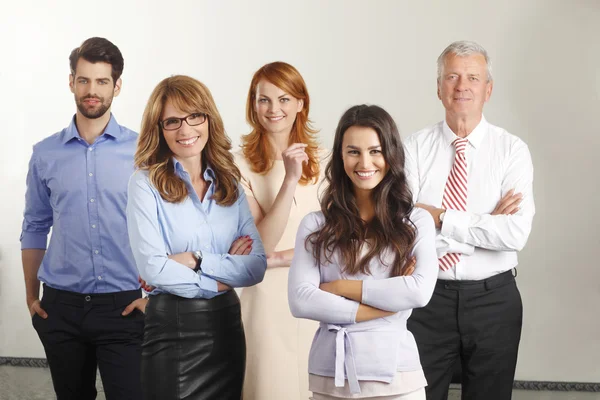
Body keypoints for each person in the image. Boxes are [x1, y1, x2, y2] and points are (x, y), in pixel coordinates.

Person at [404, 41, 535, 400]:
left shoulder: (512, 151)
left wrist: (443, 217)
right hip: (426, 300)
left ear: (487, 89)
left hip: (494, 301)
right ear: (439, 88)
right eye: (452, 76)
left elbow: (515, 233)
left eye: (473, 78)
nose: (462, 86)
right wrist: (485, 222)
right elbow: (407, 233)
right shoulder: (413, 148)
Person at [126, 75, 267, 400]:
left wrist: (196, 260)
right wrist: (219, 278)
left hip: (226, 328)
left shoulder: (229, 182)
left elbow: (256, 266)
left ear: (208, 119)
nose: (185, 130)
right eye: (172, 121)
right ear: (159, 129)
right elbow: (154, 269)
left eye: (194, 117)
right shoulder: (145, 184)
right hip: (173, 328)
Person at [20, 37, 146, 400]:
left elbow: (167, 226)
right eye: (84, 80)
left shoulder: (143, 152)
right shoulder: (45, 154)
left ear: (117, 86)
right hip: (61, 307)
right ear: (71, 81)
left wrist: (155, 294)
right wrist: (31, 297)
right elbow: (34, 226)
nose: (92, 90)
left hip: (124, 305)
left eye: (102, 81)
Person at [288, 105, 438, 400]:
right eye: (353, 151)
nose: (364, 162)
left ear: (391, 155)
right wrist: (386, 305)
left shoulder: (414, 222)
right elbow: (301, 301)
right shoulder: (316, 225)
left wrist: (340, 287)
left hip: (397, 378)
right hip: (331, 376)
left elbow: (418, 292)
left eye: (375, 151)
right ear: (340, 156)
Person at [235, 61, 325, 400]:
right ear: (253, 104)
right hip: (265, 303)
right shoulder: (237, 164)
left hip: (318, 293)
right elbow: (261, 243)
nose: (274, 109)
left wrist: (281, 258)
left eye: (284, 99)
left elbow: (338, 242)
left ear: (301, 103)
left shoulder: (329, 163)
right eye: (264, 99)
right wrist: (289, 178)